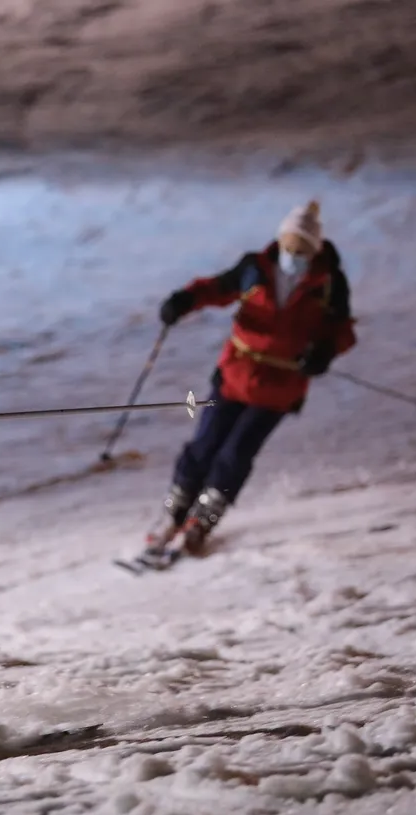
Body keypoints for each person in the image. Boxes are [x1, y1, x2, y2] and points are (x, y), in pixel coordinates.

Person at [147, 200, 357, 554]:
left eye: (302, 249)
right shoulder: (254, 269)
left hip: (281, 385)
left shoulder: (330, 283)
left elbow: (342, 330)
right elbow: (215, 289)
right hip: (235, 373)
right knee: (204, 443)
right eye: (289, 247)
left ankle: (205, 517)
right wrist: (183, 300)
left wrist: (323, 352)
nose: (294, 254)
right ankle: (174, 513)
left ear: (315, 249)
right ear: (280, 242)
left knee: (236, 452)